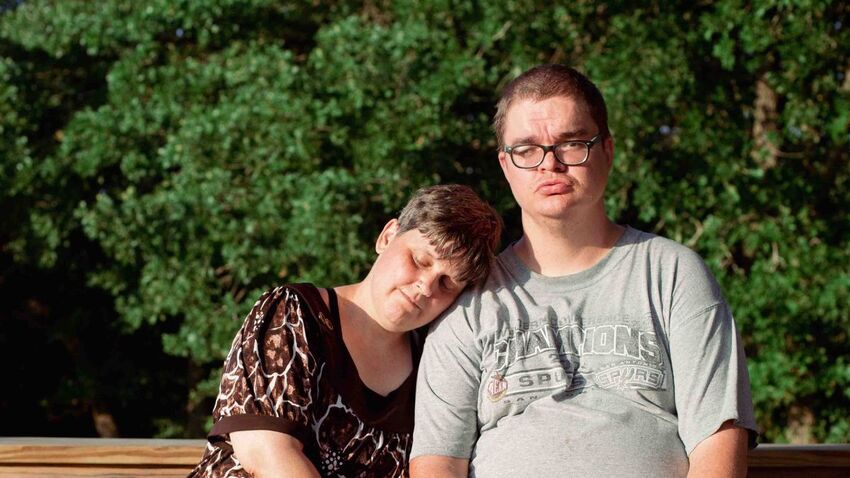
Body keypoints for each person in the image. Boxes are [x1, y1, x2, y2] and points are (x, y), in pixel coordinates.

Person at [410, 65, 758, 478]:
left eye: (572, 144)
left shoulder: (673, 274)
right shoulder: (471, 299)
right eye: (526, 149)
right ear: (505, 165)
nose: (549, 165)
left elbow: (718, 439)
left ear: (607, 150)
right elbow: (437, 462)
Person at [188, 184, 502, 478]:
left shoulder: (436, 361)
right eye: (419, 260)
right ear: (388, 236)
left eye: (447, 283)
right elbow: (267, 453)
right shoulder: (293, 314)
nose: (425, 286)